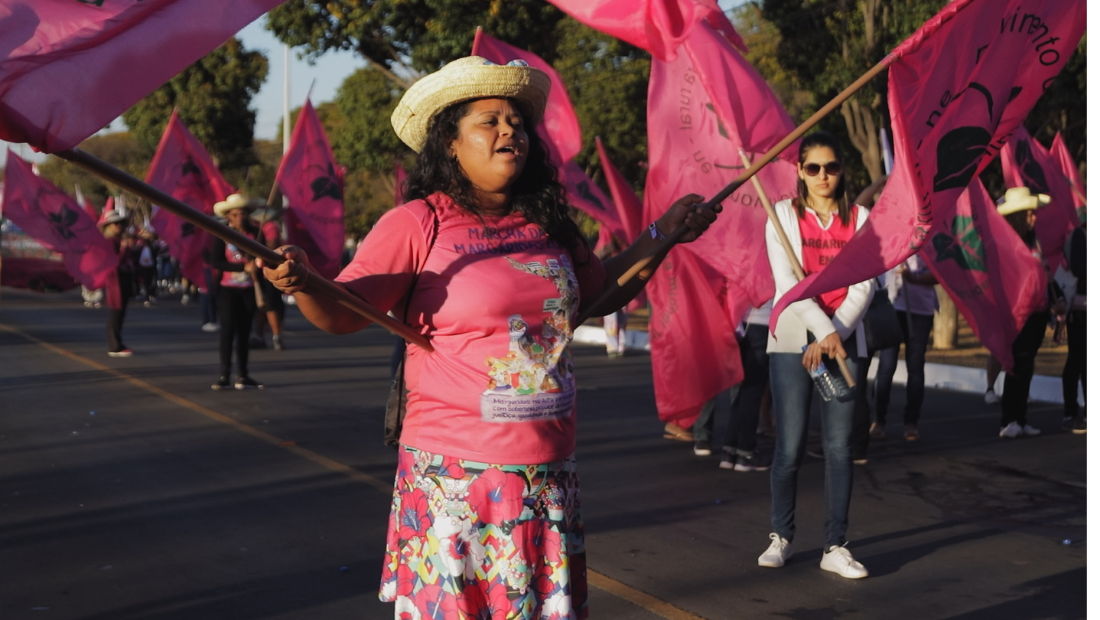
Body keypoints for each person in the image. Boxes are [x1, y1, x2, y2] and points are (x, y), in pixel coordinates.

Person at [260, 57, 716, 619]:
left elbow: (601, 295)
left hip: (549, 475)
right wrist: (301, 281)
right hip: (457, 480)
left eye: (517, 123)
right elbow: (344, 311)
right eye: (489, 121)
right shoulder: (417, 222)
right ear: (449, 142)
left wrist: (663, 233)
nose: (510, 132)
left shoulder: (548, 224)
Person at [757, 131, 873, 580]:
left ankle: (835, 545)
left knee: (840, 448)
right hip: (791, 337)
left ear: (843, 170)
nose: (823, 176)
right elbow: (788, 284)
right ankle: (781, 535)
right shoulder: (782, 216)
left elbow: (866, 281)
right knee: (788, 446)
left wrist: (834, 333)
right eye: (813, 168)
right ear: (799, 172)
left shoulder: (861, 217)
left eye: (832, 167)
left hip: (844, 340)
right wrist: (821, 332)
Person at [996, 187, 1066, 438]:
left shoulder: (1032, 241)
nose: (1034, 217)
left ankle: (1021, 417)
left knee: (1026, 366)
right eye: (1029, 214)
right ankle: (1009, 419)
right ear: (1017, 216)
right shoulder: (1008, 244)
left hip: (1037, 311)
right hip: (1018, 312)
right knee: (1017, 364)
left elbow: (1044, 272)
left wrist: (1053, 296)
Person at [872, 254, 938, 441]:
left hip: (921, 311)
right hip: (892, 308)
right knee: (886, 365)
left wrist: (913, 277)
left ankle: (911, 422)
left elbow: (939, 277)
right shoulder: (894, 237)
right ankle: (878, 420)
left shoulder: (931, 242)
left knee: (915, 366)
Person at [209, 193, 267, 390]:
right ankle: (224, 374)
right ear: (229, 216)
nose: (239, 217)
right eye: (235, 214)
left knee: (244, 332)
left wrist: (257, 264)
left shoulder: (257, 234)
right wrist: (242, 268)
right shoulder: (222, 235)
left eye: (243, 213)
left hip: (250, 289)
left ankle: (243, 374)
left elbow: (265, 258)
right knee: (228, 331)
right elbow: (216, 261)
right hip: (227, 290)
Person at [99, 208, 136, 357]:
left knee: (120, 312)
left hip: (124, 276)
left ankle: (117, 342)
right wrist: (124, 248)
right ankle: (114, 345)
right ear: (108, 226)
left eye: (120, 224)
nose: (119, 226)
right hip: (115, 278)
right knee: (116, 310)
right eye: (115, 224)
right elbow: (115, 261)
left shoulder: (118, 240)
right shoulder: (108, 242)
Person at [1060, 222, 1086, 434]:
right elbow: (1078, 267)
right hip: (1080, 309)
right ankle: (1070, 410)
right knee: (1077, 358)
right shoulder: (1080, 234)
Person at [250, 207, 287, 350]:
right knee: (261, 306)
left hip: (268, 273)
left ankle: (276, 336)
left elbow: (271, 246)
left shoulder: (269, 226)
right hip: (260, 272)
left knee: (270, 305)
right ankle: (259, 336)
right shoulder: (257, 228)